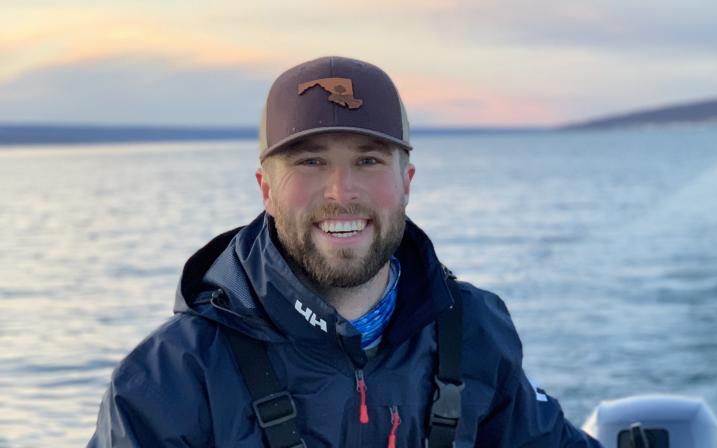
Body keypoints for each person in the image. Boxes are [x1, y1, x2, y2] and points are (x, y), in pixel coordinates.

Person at [89, 56, 601, 447]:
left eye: (369, 160)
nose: (340, 191)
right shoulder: (169, 377)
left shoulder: (472, 332)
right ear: (266, 189)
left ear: (407, 183)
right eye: (310, 161)